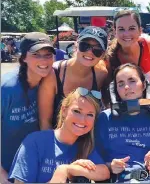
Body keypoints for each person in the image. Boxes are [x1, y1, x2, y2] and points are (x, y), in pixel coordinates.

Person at [94, 63, 150, 183]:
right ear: (115, 90)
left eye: (132, 81)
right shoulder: (105, 118)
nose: (127, 87)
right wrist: (109, 166)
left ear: (144, 85)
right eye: (121, 84)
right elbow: (94, 159)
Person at [8, 87, 110, 183]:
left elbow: (104, 172)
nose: (82, 120)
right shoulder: (34, 142)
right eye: (77, 111)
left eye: (90, 114)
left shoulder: (85, 145)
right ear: (64, 110)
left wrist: (69, 169)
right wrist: (59, 174)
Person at [1, 32, 56, 184]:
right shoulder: (7, 88)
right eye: (36, 54)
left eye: (48, 54)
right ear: (24, 57)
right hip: (6, 168)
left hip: (31, 168)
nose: (44, 60)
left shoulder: (49, 82)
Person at [38, 26, 108, 130]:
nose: (89, 52)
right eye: (84, 46)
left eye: (97, 50)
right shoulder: (54, 73)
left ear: (102, 54)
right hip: (57, 138)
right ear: (76, 45)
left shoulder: (101, 74)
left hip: (87, 138)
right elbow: (44, 121)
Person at [104, 9, 150, 106]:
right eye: (121, 29)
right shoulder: (110, 57)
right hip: (125, 106)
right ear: (115, 32)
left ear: (140, 30)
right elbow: (108, 89)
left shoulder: (148, 44)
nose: (127, 34)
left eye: (132, 28)